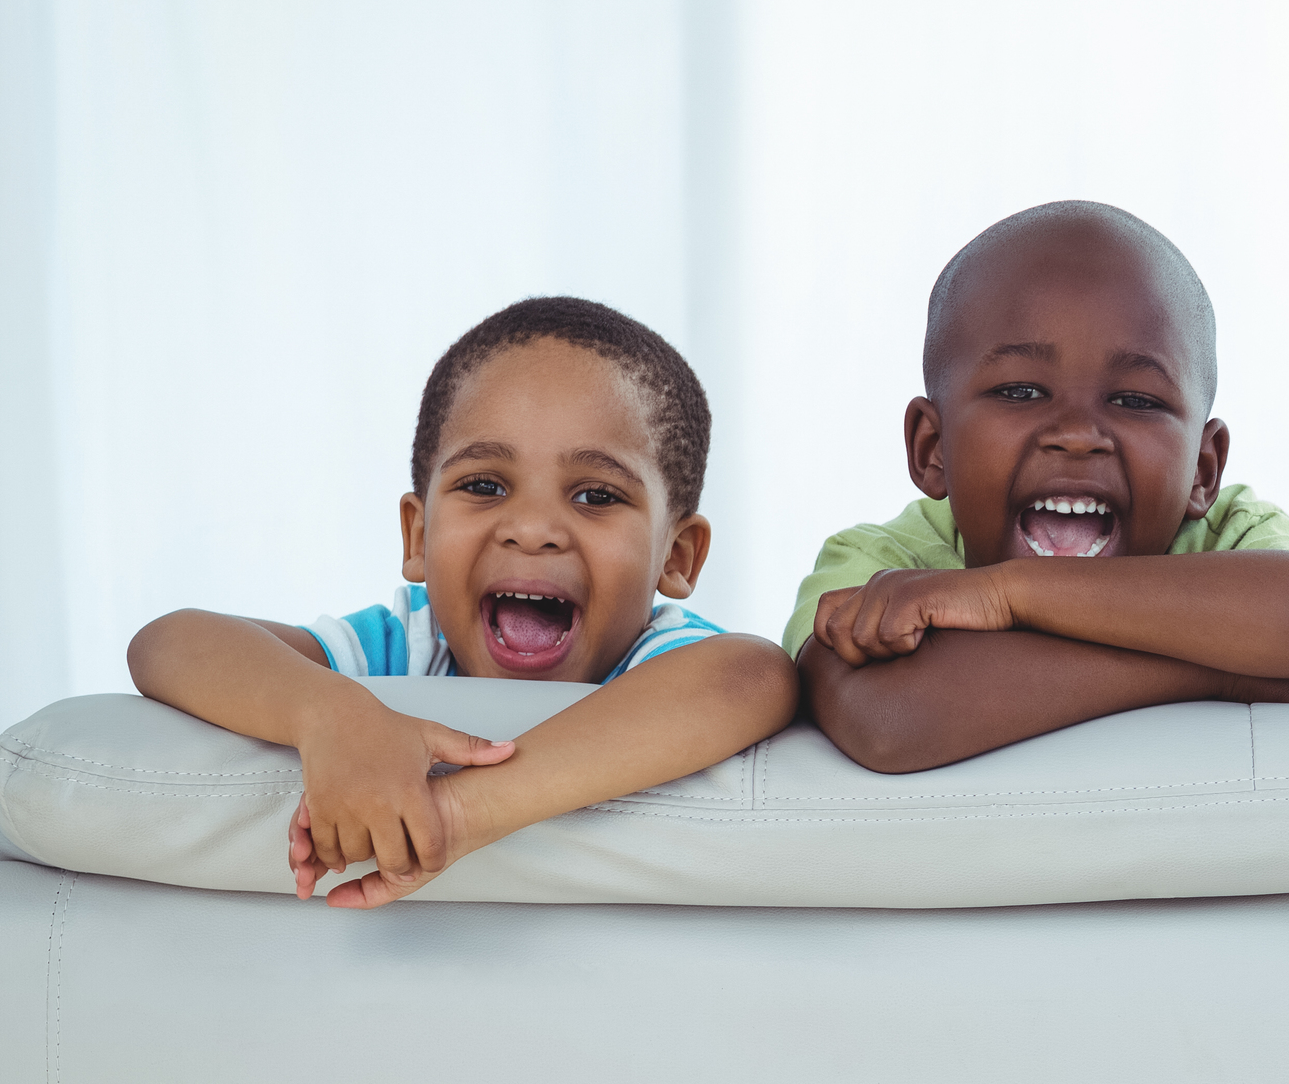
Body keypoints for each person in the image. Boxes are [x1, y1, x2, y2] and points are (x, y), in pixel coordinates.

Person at [128, 297, 798, 906]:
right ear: (418, 536)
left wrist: (458, 813)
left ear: (676, 558)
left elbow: (754, 674)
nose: (532, 529)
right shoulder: (402, 646)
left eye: (596, 495)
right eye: (484, 485)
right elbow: (167, 643)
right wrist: (329, 715)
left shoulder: (659, 657)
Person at [790, 200, 1289, 771]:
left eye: (1137, 400)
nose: (1078, 432)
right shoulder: (881, 568)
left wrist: (1005, 594)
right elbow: (891, 721)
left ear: (1203, 471)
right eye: (1021, 391)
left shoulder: (1224, 533)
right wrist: (1226, 675)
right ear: (931, 449)